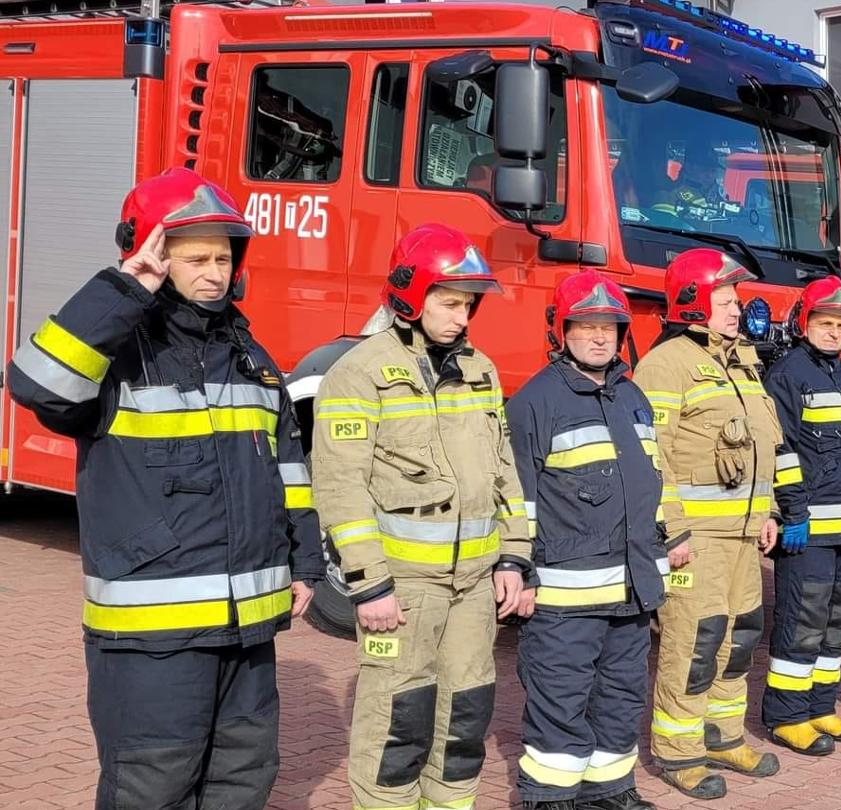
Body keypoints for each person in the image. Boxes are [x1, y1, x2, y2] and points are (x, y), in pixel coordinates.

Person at [7, 168, 323, 810]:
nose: (214, 271)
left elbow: (288, 470)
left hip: (248, 630)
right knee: (152, 791)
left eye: (223, 255)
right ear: (153, 254)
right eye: (194, 256)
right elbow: (37, 386)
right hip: (154, 642)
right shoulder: (116, 353)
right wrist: (127, 286)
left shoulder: (250, 357)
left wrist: (305, 564)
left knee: (242, 782)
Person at [311, 223, 534, 810]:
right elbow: (339, 488)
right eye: (449, 302)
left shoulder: (480, 369)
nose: (462, 316)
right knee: (397, 722)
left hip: (473, 587)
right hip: (402, 590)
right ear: (412, 295)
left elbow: (504, 470)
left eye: (468, 304)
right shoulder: (359, 373)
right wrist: (370, 586)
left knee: (466, 713)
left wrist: (514, 557)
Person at [508, 270, 667, 810]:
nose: (601, 337)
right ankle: (549, 798)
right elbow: (518, 501)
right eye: (587, 325)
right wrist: (518, 572)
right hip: (563, 601)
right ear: (561, 329)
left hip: (629, 591)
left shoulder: (633, 397)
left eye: (610, 327)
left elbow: (651, 484)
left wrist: (664, 549)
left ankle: (611, 790)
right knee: (561, 701)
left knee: (622, 696)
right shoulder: (535, 402)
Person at [633, 247, 783, 800]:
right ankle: (678, 749)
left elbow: (761, 446)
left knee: (739, 636)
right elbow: (653, 456)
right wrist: (672, 530)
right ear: (694, 302)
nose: (735, 311)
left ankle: (722, 735)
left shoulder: (743, 361)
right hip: (697, 538)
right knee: (693, 642)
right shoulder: (666, 364)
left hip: (744, 533)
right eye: (725, 301)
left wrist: (767, 510)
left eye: (736, 301)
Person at [760, 278, 841, 757]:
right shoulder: (788, 373)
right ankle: (787, 716)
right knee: (801, 622)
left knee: (835, 623)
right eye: (824, 323)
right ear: (804, 323)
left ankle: (820, 706)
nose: (833, 331)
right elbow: (781, 449)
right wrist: (793, 513)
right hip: (808, 531)